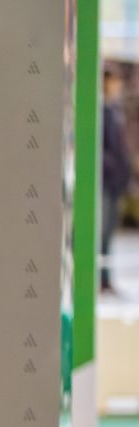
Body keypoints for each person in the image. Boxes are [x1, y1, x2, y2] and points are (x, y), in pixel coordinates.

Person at [102, 67, 130, 295]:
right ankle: (100, 278)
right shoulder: (101, 110)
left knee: (109, 231)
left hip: (114, 183)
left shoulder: (113, 110)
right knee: (101, 231)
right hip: (104, 182)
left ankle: (105, 279)